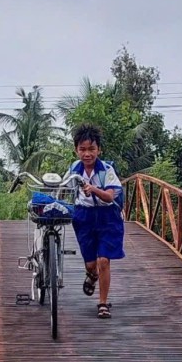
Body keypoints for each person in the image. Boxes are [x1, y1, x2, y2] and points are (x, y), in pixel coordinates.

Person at [67, 124, 124, 319]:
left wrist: (93, 189)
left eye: (91, 149)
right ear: (76, 150)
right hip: (84, 217)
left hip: (108, 218)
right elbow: (64, 188)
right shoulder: (74, 169)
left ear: (99, 149)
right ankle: (91, 275)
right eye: (82, 149)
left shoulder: (106, 170)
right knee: (91, 264)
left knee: (103, 260)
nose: (87, 154)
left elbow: (109, 196)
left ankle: (103, 303)